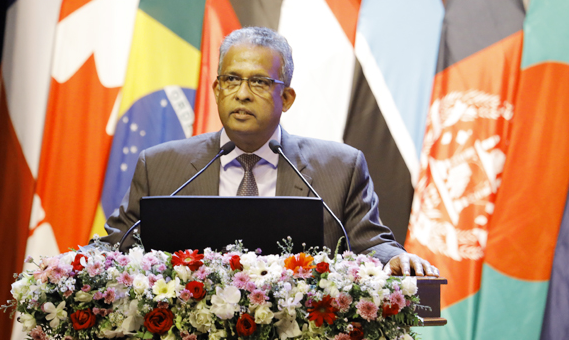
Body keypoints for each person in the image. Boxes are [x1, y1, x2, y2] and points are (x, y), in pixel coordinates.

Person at [103, 26, 438, 277]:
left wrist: (395, 258)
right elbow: (118, 243)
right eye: (231, 80)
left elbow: (369, 243)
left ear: (287, 98)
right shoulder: (160, 165)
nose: (242, 94)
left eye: (259, 82)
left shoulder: (340, 168)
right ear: (217, 89)